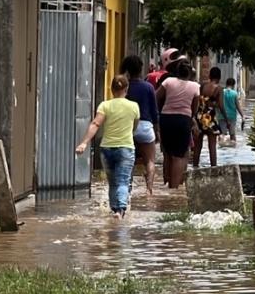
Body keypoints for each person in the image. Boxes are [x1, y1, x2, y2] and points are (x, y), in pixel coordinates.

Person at [75, 75, 141, 217]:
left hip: (106, 149)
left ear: (111, 89)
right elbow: (135, 127)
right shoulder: (134, 106)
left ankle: (114, 209)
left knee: (112, 182)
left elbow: (95, 124)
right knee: (123, 181)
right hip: (126, 148)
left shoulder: (105, 105)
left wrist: (84, 142)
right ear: (126, 89)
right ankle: (120, 210)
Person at [156, 60, 200, 189]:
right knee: (179, 156)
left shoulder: (168, 82)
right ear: (189, 73)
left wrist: (160, 111)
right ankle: (174, 189)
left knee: (168, 153)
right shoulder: (195, 86)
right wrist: (191, 118)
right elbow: (195, 108)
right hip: (183, 120)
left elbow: (156, 96)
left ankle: (167, 183)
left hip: (166, 119)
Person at [120, 55, 160, 197]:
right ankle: (149, 190)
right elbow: (154, 111)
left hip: (128, 128)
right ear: (141, 68)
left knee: (128, 161)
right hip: (145, 127)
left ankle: (127, 191)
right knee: (150, 161)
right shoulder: (148, 87)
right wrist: (157, 131)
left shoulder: (124, 87)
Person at [196, 66, 224, 166]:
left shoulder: (202, 85)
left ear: (210, 75)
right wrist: (226, 120)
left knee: (197, 145)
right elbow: (221, 106)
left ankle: (195, 166)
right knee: (212, 146)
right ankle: (214, 168)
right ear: (219, 77)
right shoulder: (219, 89)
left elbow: (198, 100)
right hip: (210, 118)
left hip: (199, 116)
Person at [221, 77, 245, 142]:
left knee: (222, 134)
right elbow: (238, 106)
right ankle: (233, 147)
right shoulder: (234, 93)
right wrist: (243, 116)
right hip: (232, 116)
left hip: (222, 116)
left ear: (226, 84)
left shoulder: (221, 92)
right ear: (233, 85)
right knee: (232, 134)